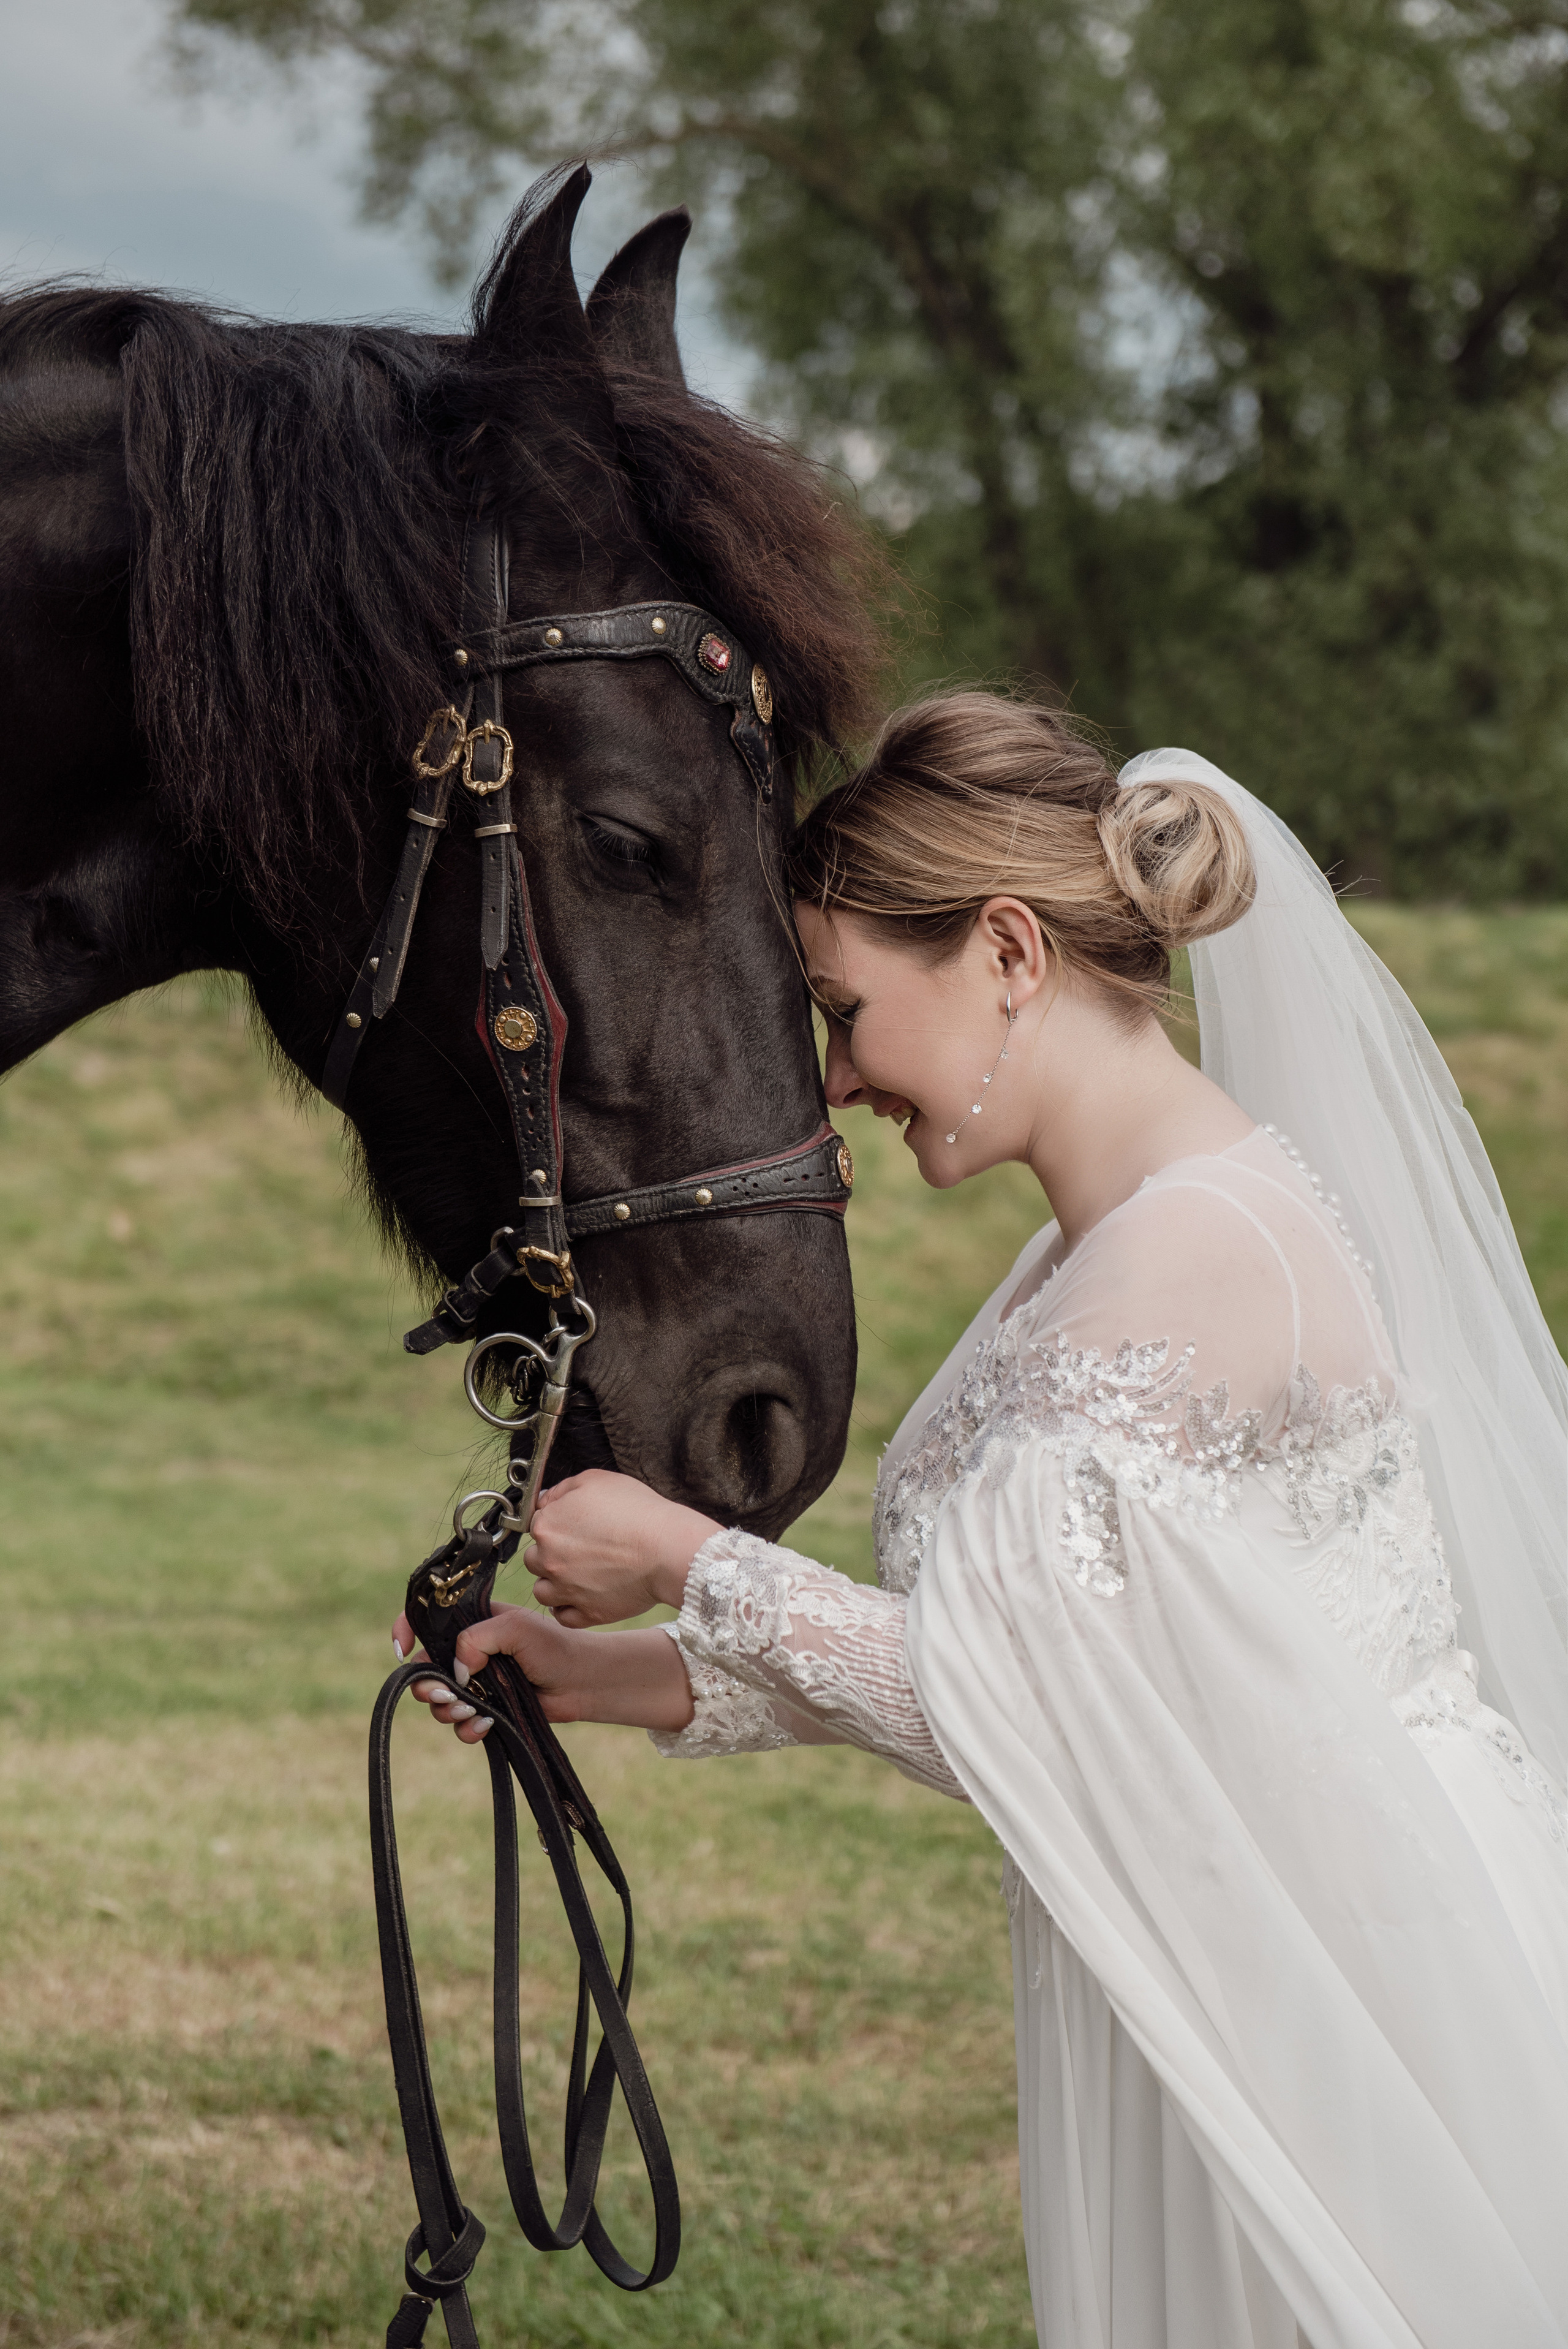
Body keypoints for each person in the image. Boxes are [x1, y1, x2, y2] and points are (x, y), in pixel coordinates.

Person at [398, 695, 1568, 2349]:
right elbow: (1044, 1677)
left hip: (1344, 1980)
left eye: (849, 1008)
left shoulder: (1195, 1256)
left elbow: (1010, 1702)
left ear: (1008, 950)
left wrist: (693, 1556)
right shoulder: (1098, 1252)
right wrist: (594, 1675)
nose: (837, 1075)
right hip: (1219, 1947)